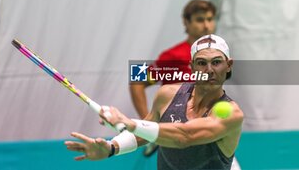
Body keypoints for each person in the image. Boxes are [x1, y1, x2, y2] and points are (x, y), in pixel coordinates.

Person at [65, 34, 244, 170]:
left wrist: (132, 124)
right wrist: (112, 147)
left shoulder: (232, 114)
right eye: (202, 63)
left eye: (217, 62)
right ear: (192, 66)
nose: (210, 70)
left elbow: (185, 136)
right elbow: (146, 132)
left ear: (229, 65)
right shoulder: (167, 94)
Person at [130, 0, 217, 156]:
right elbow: (137, 80)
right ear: (186, 22)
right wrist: (147, 123)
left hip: (210, 136)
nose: (206, 25)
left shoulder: (218, 57)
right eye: (200, 20)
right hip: (178, 140)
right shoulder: (172, 56)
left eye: (210, 19)